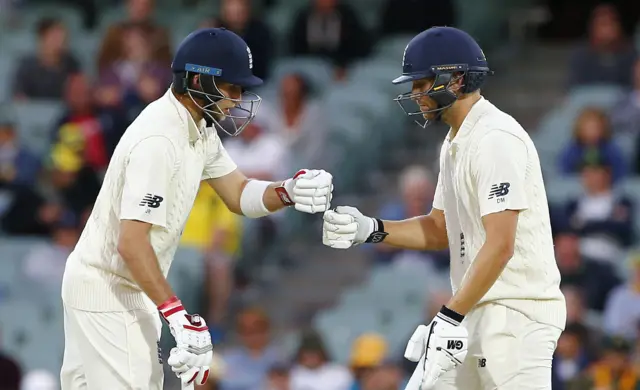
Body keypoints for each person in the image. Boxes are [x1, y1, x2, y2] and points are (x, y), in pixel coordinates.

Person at [60, 28, 334, 390]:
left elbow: (238, 194)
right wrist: (177, 314)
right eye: (231, 88)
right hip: (110, 290)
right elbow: (131, 243)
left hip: (111, 287)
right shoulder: (160, 140)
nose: (238, 100)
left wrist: (288, 191)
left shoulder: (199, 127)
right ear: (197, 80)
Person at [322, 26, 566, 390]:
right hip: (475, 310)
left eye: (422, 83)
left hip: (516, 313)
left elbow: (500, 245)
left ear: (455, 80)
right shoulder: (455, 142)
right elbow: (440, 228)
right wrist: (371, 228)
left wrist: (449, 315)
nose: (415, 94)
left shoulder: (495, 138)